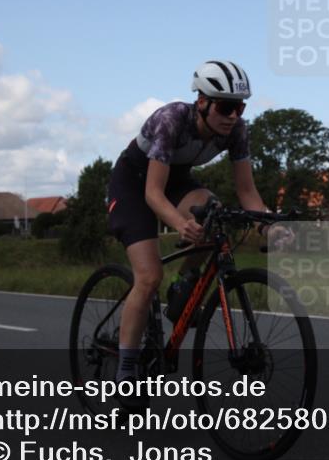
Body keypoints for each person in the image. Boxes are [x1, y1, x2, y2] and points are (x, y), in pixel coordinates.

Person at [107, 60, 271, 386]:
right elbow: (153, 194)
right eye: (226, 107)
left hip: (176, 180)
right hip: (134, 184)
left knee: (212, 211)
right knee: (149, 276)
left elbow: (247, 191)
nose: (233, 116)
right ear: (202, 102)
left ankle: (184, 284)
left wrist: (269, 225)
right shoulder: (172, 121)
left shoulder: (237, 131)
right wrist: (181, 225)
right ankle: (126, 369)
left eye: (239, 107)